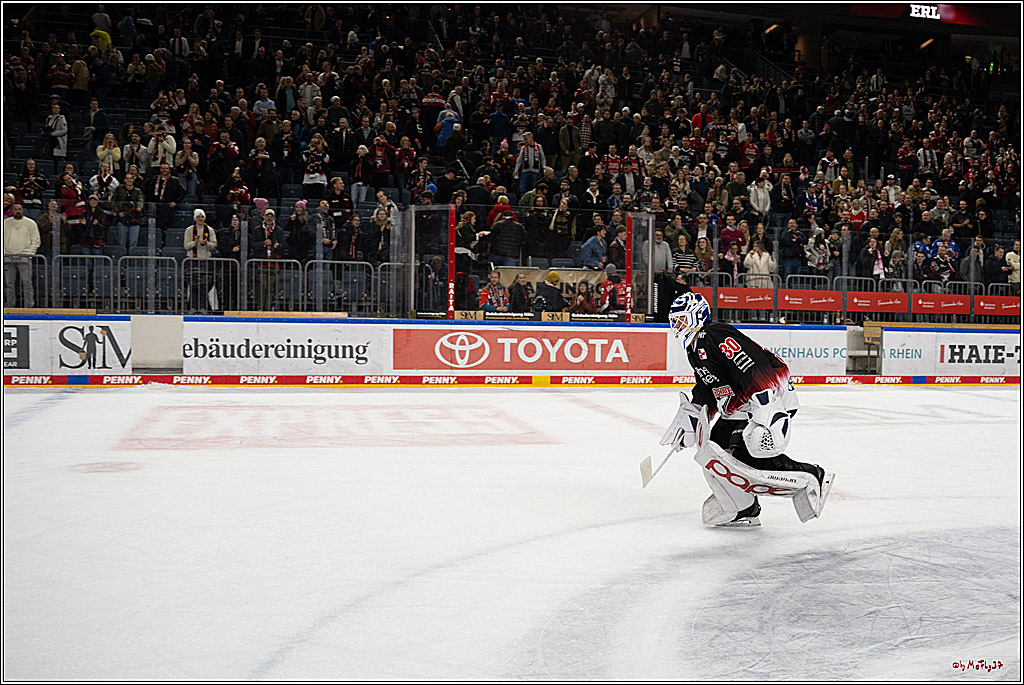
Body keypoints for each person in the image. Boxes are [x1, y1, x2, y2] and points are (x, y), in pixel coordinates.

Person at [660, 292, 832, 527]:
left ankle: (813, 476)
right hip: (742, 407)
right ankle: (743, 509)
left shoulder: (714, 334)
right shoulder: (695, 349)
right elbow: (707, 387)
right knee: (714, 453)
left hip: (768, 398)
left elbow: (752, 364)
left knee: (751, 452)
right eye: (674, 321)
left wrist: (765, 405)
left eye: (681, 320)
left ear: (697, 316)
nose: (676, 326)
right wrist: (692, 418)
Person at [4, 203, 41, 308]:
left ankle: (29, 306)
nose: (17, 211)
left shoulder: (30, 223)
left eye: (19, 209)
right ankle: (10, 305)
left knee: (27, 284)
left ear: (22, 210)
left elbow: (36, 240)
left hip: (24, 257)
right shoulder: (5, 223)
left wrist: (29, 254)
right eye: (15, 209)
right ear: (12, 211)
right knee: (9, 284)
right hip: (8, 256)